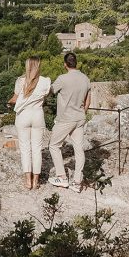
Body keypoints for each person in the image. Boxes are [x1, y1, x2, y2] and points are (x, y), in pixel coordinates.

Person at [48, 52, 91, 193]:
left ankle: (62, 177)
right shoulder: (85, 78)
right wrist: (82, 112)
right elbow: (87, 100)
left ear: (65, 64)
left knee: (54, 145)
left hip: (66, 118)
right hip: (80, 117)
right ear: (76, 63)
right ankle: (77, 182)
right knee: (78, 149)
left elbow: (50, 91)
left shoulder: (62, 78)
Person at [8, 56, 51, 191]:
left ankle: (27, 180)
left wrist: (9, 103)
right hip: (38, 115)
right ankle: (36, 181)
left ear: (27, 66)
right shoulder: (45, 81)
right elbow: (45, 97)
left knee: (25, 149)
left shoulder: (20, 81)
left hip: (23, 116)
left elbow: (14, 99)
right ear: (38, 66)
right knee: (37, 149)